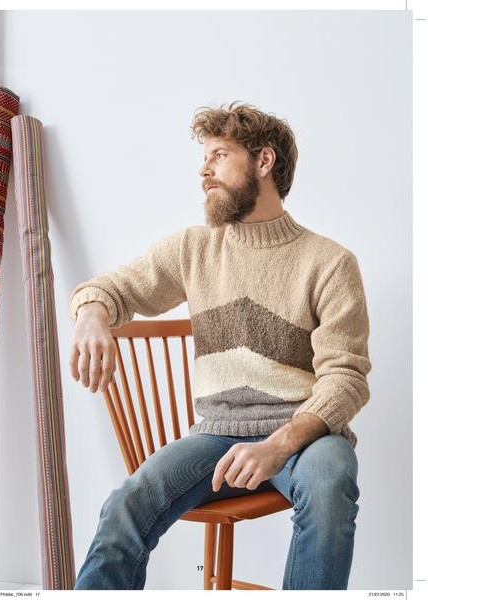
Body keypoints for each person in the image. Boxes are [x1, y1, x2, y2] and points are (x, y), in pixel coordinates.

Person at [68, 101, 372, 590]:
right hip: (215, 437)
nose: (203, 170)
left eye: (219, 155)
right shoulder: (194, 248)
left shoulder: (330, 263)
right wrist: (91, 315)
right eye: (204, 157)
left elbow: (346, 378)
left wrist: (279, 444)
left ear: (263, 161)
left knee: (331, 479)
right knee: (126, 503)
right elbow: (112, 288)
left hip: (303, 438)